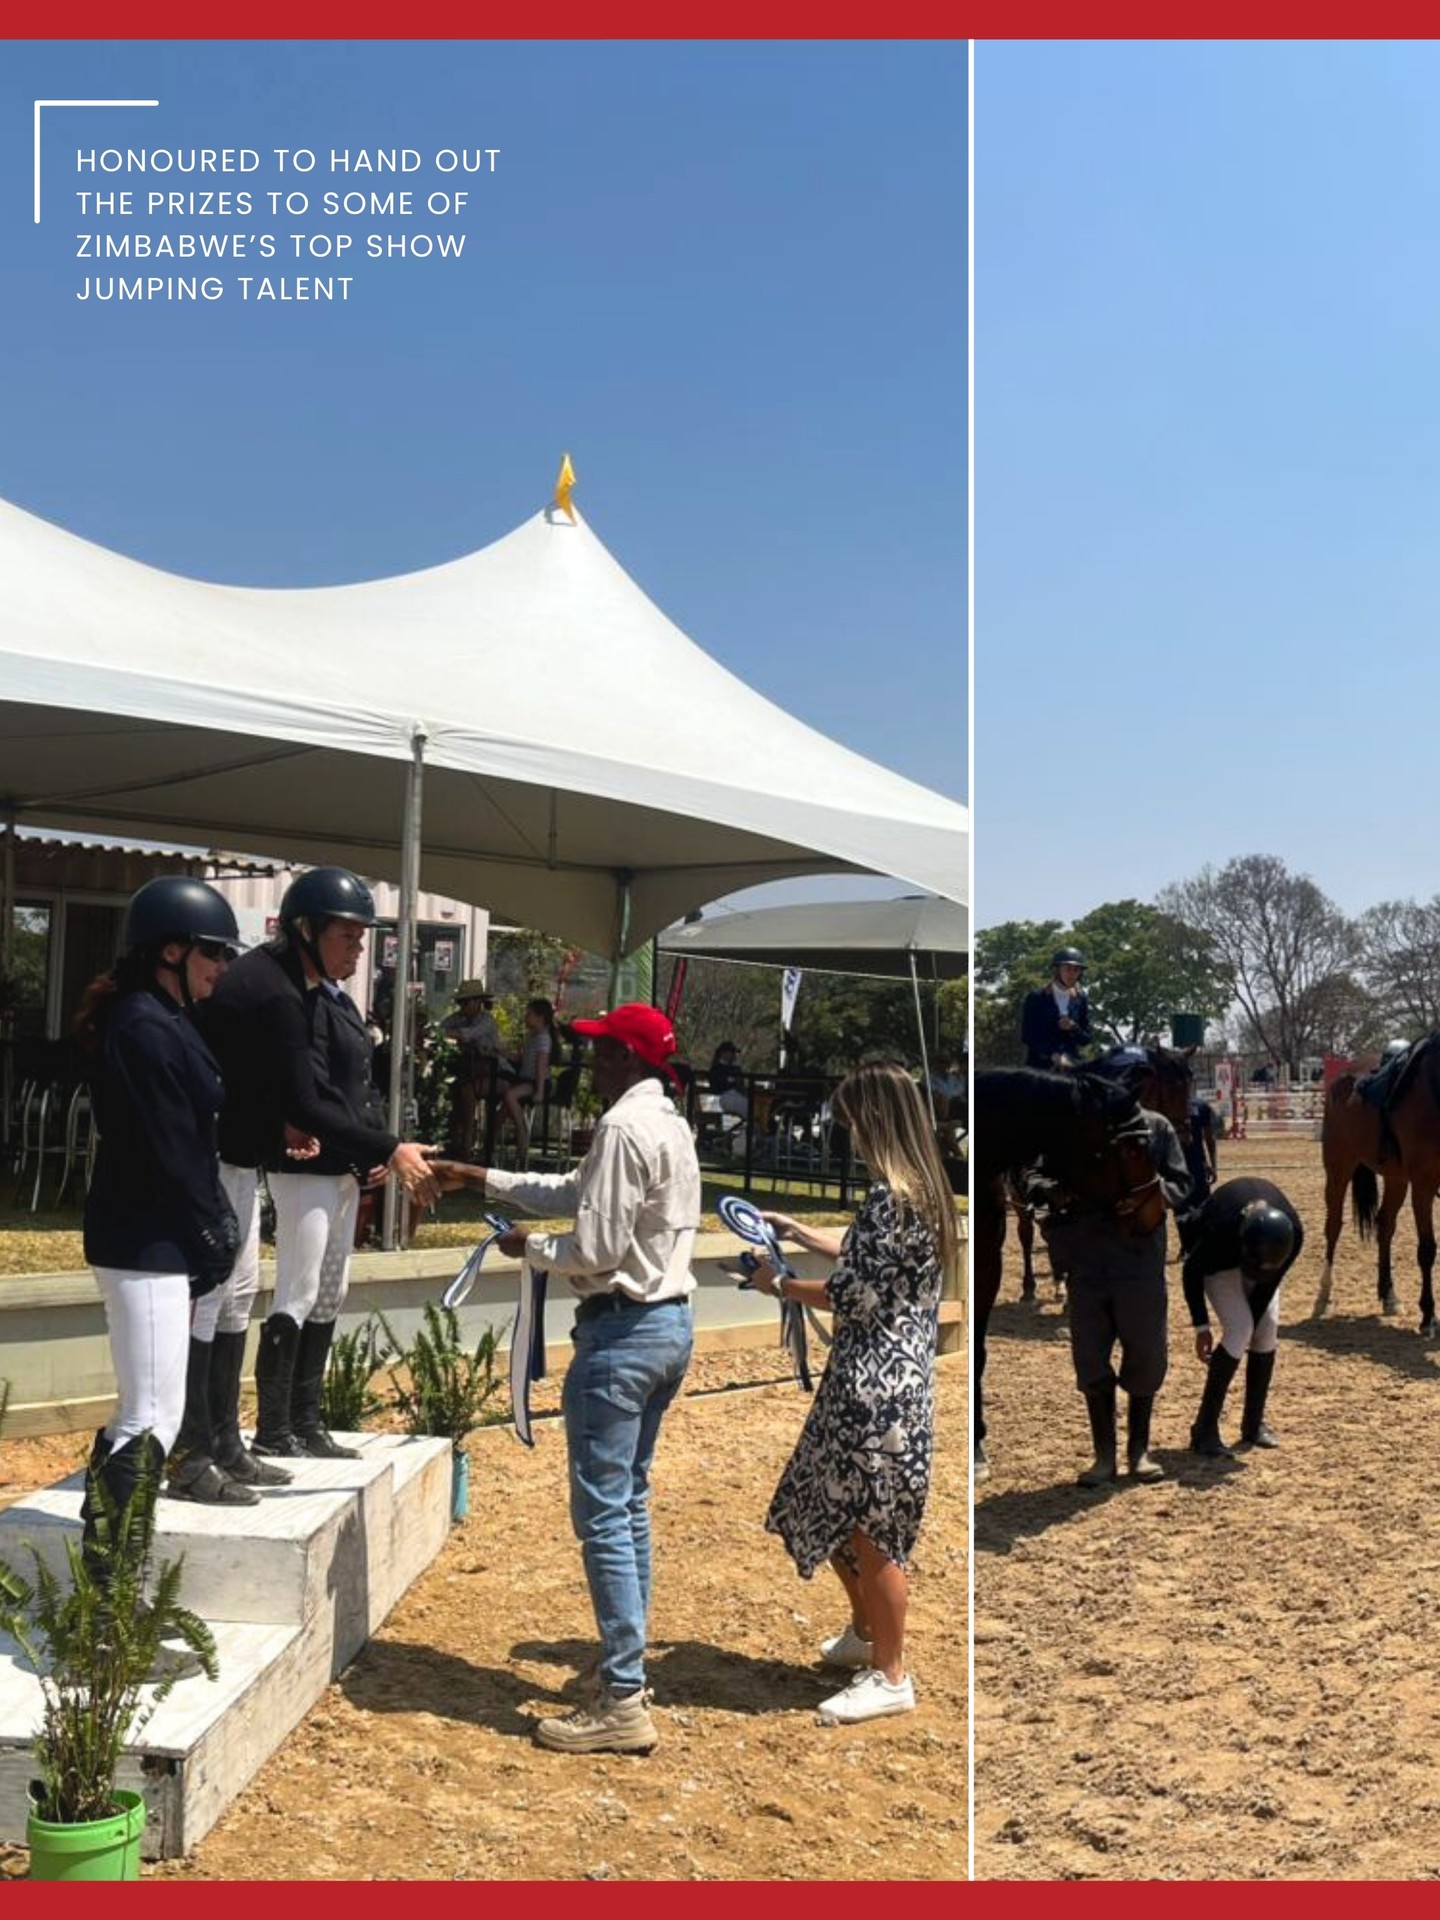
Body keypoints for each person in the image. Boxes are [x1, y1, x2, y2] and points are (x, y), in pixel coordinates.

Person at [428, 1002, 699, 1755]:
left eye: (603, 1049)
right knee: (628, 1504)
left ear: (628, 1059)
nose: (592, 1061)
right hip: (667, 1325)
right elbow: (576, 1190)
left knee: (604, 1516)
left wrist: (533, 1248)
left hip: (621, 1331)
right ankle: (626, 1677)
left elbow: (596, 1247)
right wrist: (480, 1176)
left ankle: (622, 1697)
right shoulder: (666, 1123)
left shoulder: (621, 1127)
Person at [200, 865, 439, 1466]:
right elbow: (306, 1095)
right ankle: (240, 1436)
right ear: (306, 930)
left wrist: (359, 1144)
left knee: (270, 1294)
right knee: (256, 1295)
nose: (358, 949)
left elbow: (295, 1089)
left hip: (269, 1153)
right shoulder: (281, 992)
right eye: (347, 936)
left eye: (361, 938)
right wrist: (385, 1147)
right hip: (252, 1160)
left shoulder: (307, 990)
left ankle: (271, 1429)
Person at [751, 1060, 958, 1726]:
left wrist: (777, 1285)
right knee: (828, 1509)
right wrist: (799, 1232)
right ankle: (868, 1634)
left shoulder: (892, 1199)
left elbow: (855, 1292)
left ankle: (890, 1673)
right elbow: (865, 1255)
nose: (847, 1135)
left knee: (873, 1530)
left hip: (876, 1393)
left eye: (851, 1123)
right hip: (879, 1385)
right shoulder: (918, 1194)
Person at [74, 876, 246, 1568]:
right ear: (171, 950)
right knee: (151, 1415)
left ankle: (110, 1577)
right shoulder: (144, 1025)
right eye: (215, 952)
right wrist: (212, 1230)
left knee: (144, 1412)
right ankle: (112, 1592)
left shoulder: (163, 1017)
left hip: (155, 1236)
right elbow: (168, 1146)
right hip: (145, 1239)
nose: (223, 967)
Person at [1030, 1104, 1191, 1486]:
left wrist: (1149, 1196)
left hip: (1139, 1260)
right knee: (1090, 1357)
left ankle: (1139, 1450)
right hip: (1087, 1260)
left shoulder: (1156, 1127)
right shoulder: (1071, 1127)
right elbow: (1035, 1174)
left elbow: (1182, 1183)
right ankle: (1104, 1455)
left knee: (1147, 1354)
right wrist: (1051, 1191)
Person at [1184, 1178, 1305, 1457]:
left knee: (1266, 1329)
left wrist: (1256, 1319)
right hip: (1221, 1262)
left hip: (1263, 1257)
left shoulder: (1293, 1235)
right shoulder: (1218, 1233)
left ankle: (1253, 1423)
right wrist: (1201, 1327)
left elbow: (1268, 1285)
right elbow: (1191, 1272)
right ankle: (1204, 1429)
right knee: (1240, 1329)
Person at [442, 981, 502, 1159]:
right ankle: (455, 1138)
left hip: (495, 1073)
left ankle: (467, 1141)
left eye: (464, 1002)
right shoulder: (459, 1018)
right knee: (455, 1088)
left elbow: (466, 1035)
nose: (461, 1007)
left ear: (477, 1002)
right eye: (460, 1003)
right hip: (470, 1070)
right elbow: (442, 1026)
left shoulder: (486, 1021)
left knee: (467, 1090)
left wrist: (446, 1034)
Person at [501, 996, 558, 1158]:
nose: (525, 1017)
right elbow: (522, 1059)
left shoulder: (543, 1039)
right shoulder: (531, 1037)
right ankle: (491, 1147)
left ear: (540, 1018)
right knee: (501, 1112)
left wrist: (539, 1091)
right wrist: (503, 1053)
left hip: (537, 1082)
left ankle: (522, 1131)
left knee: (510, 1095)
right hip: (525, 1079)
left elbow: (541, 1066)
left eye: (529, 1014)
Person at [1021, 947, 1093, 1071]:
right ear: (1057, 970)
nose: (1072, 974)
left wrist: (1073, 1027)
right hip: (1040, 1066)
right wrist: (1051, 1054)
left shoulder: (1081, 998)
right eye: (1067, 969)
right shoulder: (1036, 997)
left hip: (1070, 1066)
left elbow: (1086, 1039)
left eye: (1076, 970)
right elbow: (1027, 1036)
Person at [708, 1041, 749, 1120]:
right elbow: (716, 1087)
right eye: (732, 1052)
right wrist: (732, 1083)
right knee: (748, 1105)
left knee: (754, 1103)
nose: (734, 1055)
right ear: (723, 1053)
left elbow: (741, 1085)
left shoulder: (736, 1069)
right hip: (723, 1097)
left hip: (737, 1095)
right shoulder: (716, 1069)